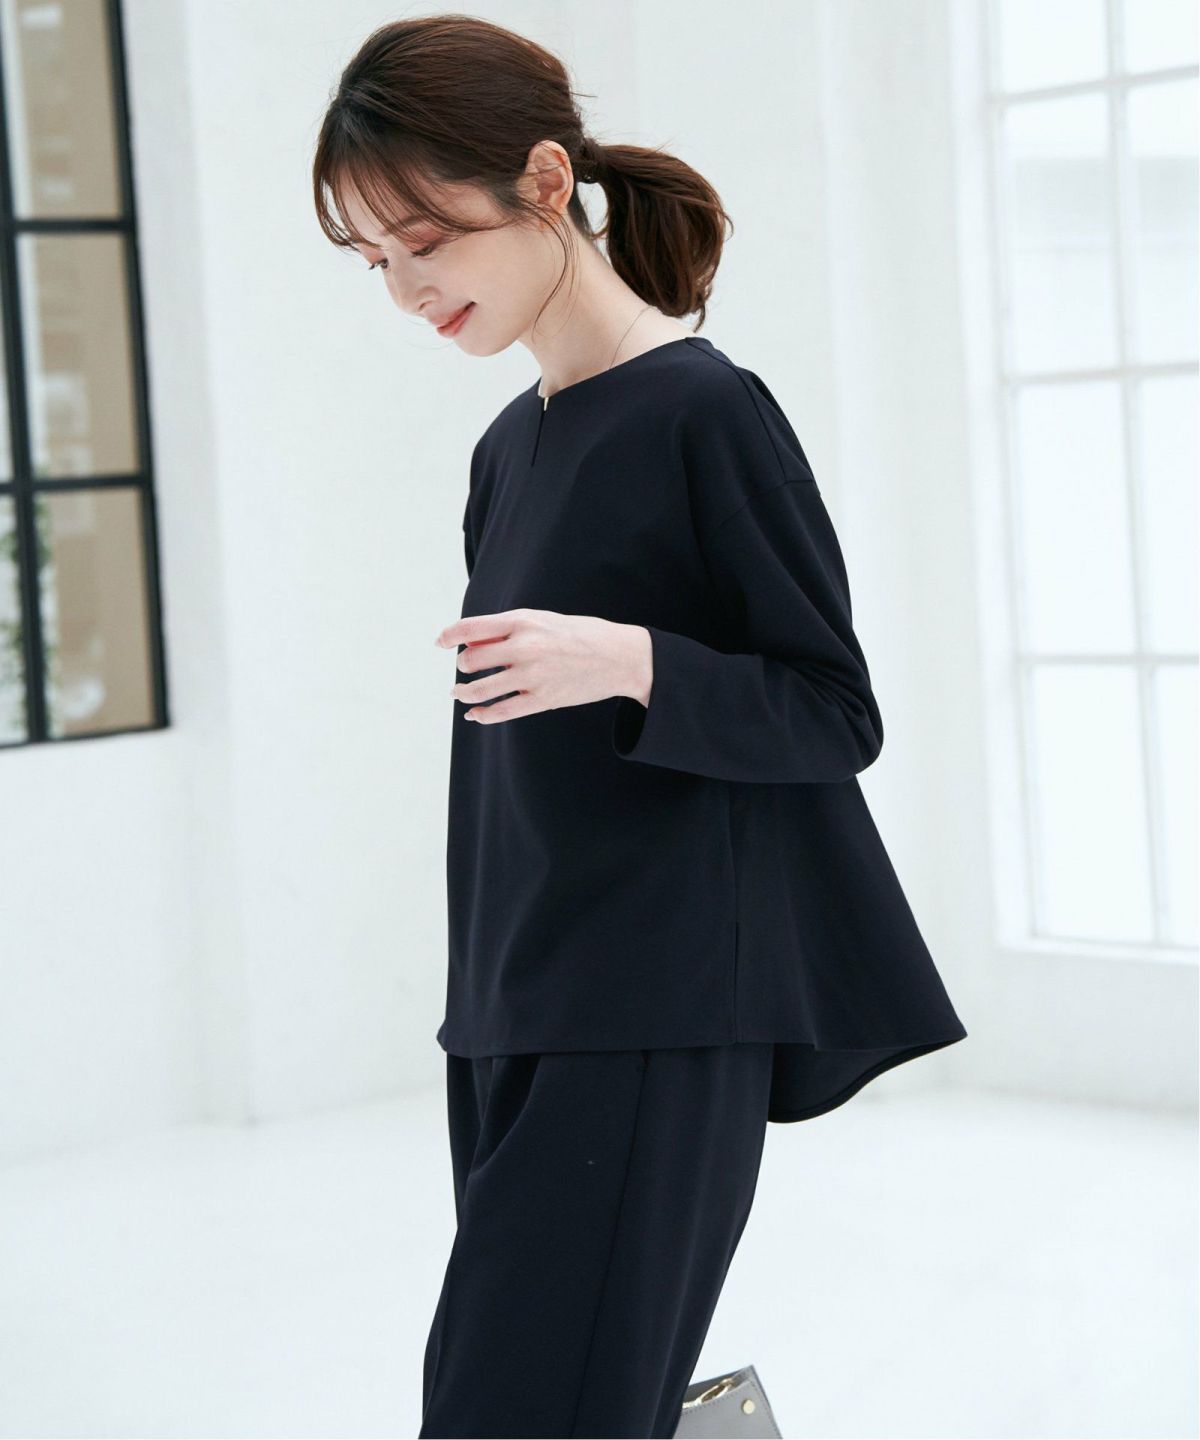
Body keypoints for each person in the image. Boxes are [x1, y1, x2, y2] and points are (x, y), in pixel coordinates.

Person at [312, 15, 968, 1438]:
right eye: (373, 260)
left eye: (423, 239)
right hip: (511, 1004)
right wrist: (479, 1009)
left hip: (658, 1003)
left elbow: (833, 712)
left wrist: (632, 661)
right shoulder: (507, 449)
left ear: (546, 181)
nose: (405, 288)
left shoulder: (706, 412)